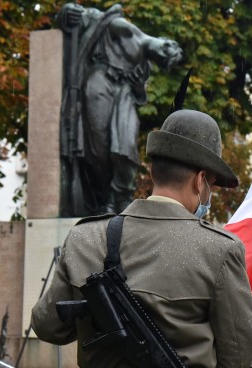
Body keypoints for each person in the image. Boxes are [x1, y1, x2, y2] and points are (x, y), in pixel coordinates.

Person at [32, 109, 252, 368]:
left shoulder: (85, 237)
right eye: (212, 184)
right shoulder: (219, 248)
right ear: (201, 179)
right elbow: (239, 354)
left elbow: (47, 326)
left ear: (154, 171)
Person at [56, 2, 183, 216]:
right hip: (98, 84)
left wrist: (136, 84)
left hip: (123, 97)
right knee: (97, 147)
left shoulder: (144, 65)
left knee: (126, 147)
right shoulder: (119, 24)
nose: (160, 54)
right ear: (164, 42)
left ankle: (119, 197)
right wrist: (66, 12)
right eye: (165, 49)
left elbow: (139, 92)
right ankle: (102, 199)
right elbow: (87, 19)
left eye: (163, 59)